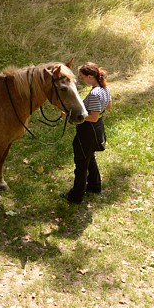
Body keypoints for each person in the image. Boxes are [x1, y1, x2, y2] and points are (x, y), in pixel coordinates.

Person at [62, 62, 112, 204]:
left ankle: (76, 195)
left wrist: (69, 116)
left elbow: (93, 117)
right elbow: (108, 107)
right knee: (90, 157)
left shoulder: (95, 93)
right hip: (98, 127)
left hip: (88, 131)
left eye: (82, 77)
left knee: (81, 163)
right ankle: (94, 186)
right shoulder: (104, 89)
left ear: (90, 77)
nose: (81, 79)